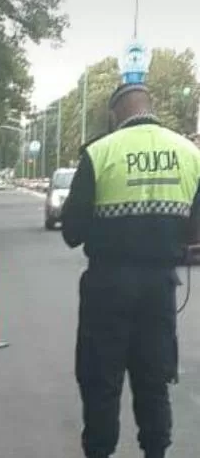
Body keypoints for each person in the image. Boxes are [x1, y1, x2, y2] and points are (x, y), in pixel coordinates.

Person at [61, 82, 200, 458]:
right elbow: (195, 231)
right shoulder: (190, 153)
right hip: (159, 287)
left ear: (114, 113)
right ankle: (156, 452)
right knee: (154, 380)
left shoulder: (101, 152)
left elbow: (72, 232)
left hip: (107, 284)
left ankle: (100, 451)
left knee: (101, 380)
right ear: (150, 105)